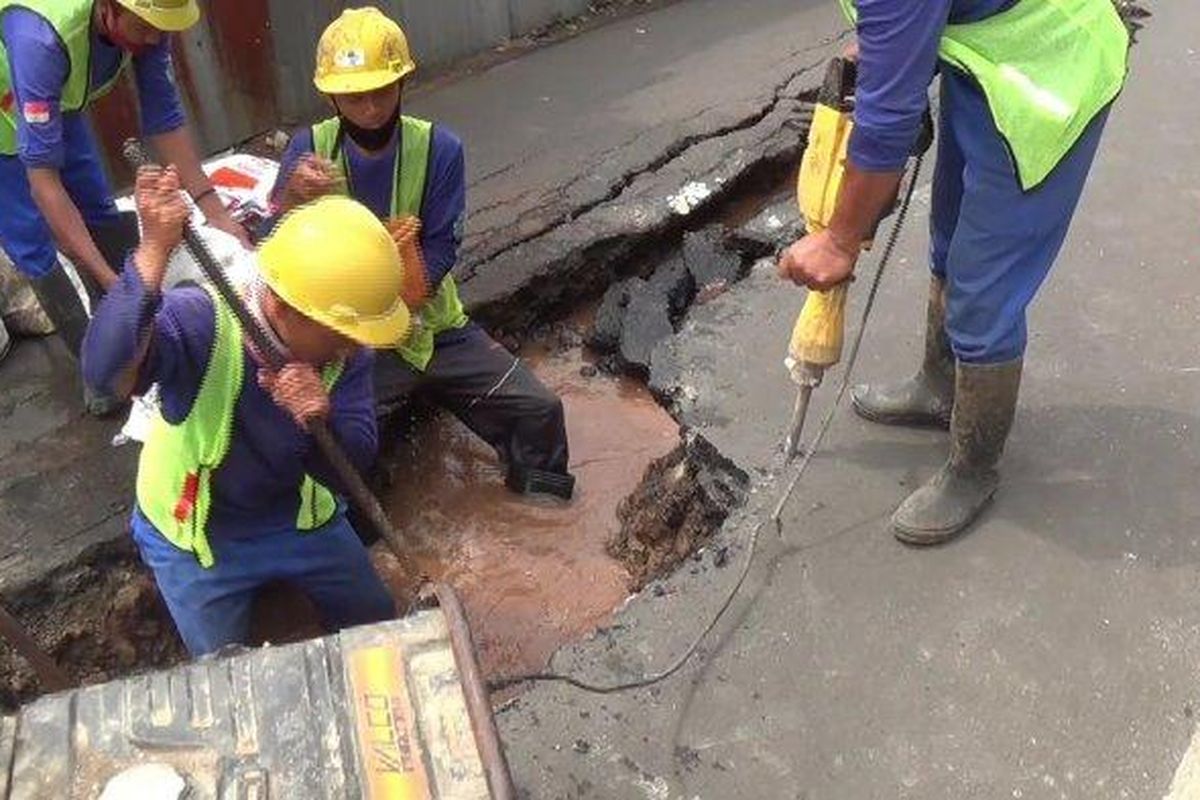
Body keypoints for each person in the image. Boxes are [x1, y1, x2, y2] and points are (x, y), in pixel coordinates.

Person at [778, 0, 1129, 544]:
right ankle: (939, 387)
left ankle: (973, 468)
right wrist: (888, 48)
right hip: (987, 54)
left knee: (982, 288)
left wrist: (839, 240)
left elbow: (887, 126)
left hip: (1046, 76)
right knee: (948, 231)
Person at [82, 170, 407, 657]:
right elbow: (104, 370)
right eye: (339, 333)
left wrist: (322, 414)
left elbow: (353, 461)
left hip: (293, 515)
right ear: (280, 307)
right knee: (223, 673)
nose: (352, 346)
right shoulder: (203, 321)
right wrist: (152, 253)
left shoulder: (346, 346)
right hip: (199, 537)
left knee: (380, 627)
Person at [268, 7, 575, 500]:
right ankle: (365, 532)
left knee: (538, 410)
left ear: (402, 84)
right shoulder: (310, 150)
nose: (369, 108)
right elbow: (273, 247)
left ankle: (543, 502)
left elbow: (440, 251)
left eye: (380, 92)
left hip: (432, 328)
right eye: (354, 96)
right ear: (331, 96)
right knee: (337, 446)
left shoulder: (439, 149)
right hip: (349, 339)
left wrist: (403, 266)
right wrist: (292, 200)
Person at [0, 0, 249, 414]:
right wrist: (111, 279)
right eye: (144, 29)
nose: (153, 39)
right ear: (109, 8)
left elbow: (164, 118)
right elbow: (45, 185)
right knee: (34, 243)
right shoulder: (41, 39)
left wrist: (216, 212)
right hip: (5, 112)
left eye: (160, 29)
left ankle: (138, 332)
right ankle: (98, 368)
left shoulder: (151, 20)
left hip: (55, 97)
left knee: (97, 205)